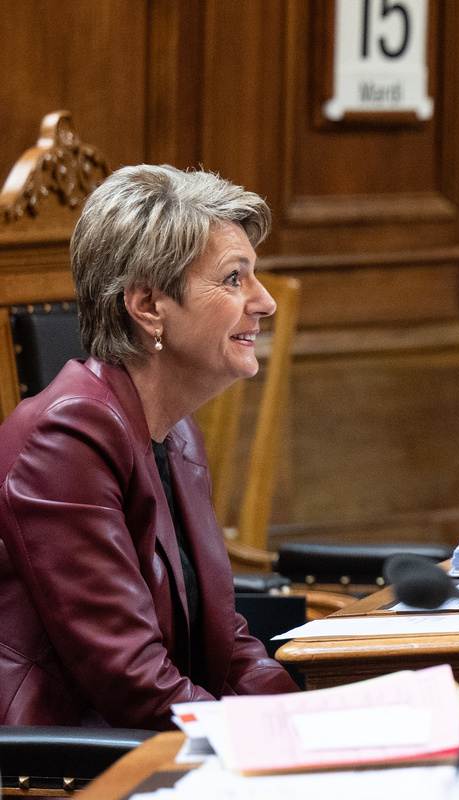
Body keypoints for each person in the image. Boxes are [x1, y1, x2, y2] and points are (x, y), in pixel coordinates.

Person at [0, 165, 300, 735]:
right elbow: (134, 683)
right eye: (234, 279)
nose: (263, 303)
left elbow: (226, 646)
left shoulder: (176, 432)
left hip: (156, 747)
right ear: (148, 305)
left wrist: (311, 725)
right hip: (63, 776)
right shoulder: (64, 440)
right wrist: (276, 743)